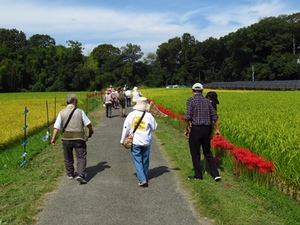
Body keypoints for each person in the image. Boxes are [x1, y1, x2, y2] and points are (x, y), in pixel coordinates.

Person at [51, 93, 94, 184]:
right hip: (79, 138)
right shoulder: (80, 111)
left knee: (68, 156)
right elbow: (88, 123)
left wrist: (53, 138)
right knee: (81, 156)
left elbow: (57, 127)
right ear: (74, 102)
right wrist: (90, 130)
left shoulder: (61, 112)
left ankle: (70, 173)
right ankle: (81, 174)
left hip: (66, 138)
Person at [184, 83, 221, 182]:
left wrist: (186, 129)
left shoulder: (190, 100)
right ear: (202, 91)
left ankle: (198, 175)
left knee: (195, 153)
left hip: (196, 129)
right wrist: (217, 129)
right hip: (207, 129)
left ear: (192, 90)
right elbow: (215, 116)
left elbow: (187, 117)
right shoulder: (208, 101)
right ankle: (216, 174)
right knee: (207, 152)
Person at [120, 97, 157, 187]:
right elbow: (155, 127)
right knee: (145, 159)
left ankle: (142, 179)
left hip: (135, 140)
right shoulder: (149, 116)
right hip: (146, 141)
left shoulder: (131, 115)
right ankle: (144, 175)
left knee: (137, 160)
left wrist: (122, 139)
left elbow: (126, 128)